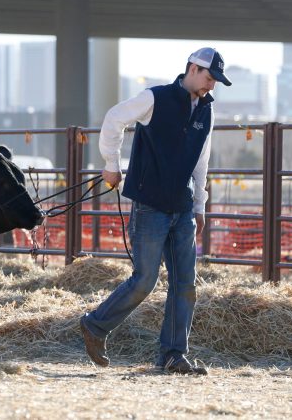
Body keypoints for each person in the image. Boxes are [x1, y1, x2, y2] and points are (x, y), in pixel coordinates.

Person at [79, 48, 232, 375]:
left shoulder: (207, 111)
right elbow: (114, 118)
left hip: (183, 207)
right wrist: (111, 164)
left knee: (185, 284)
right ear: (192, 69)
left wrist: (200, 204)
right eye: (209, 78)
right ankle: (95, 325)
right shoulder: (154, 98)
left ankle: (173, 355)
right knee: (145, 280)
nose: (212, 86)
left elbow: (201, 161)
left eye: (216, 81)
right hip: (150, 204)